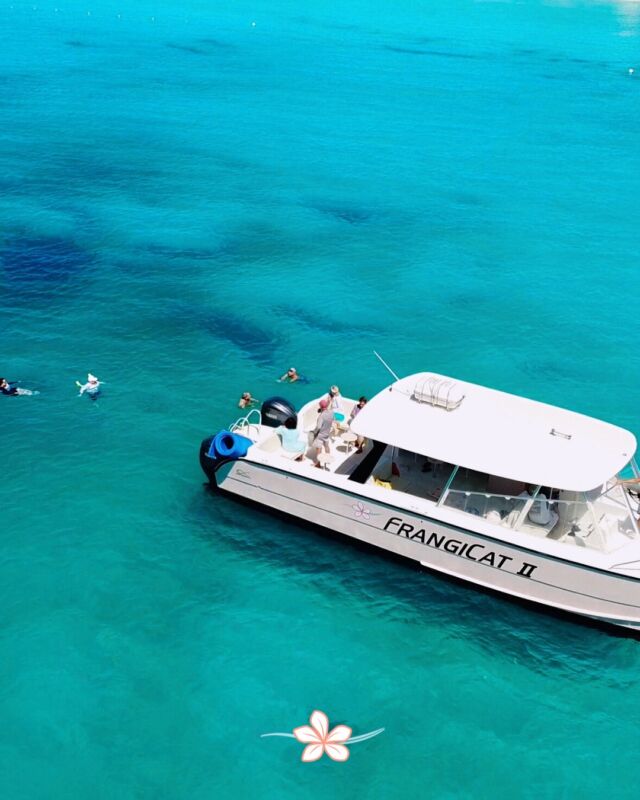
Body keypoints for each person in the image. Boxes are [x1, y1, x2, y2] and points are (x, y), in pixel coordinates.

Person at [312, 397, 334, 468]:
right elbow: (333, 419)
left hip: (320, 435)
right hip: (327, 434)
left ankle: (318, 464)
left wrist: (314, 433)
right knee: (327, 446)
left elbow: (318, 427)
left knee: (319, 448)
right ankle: (328, 459)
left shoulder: (321, 416)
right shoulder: (331, 412)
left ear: (321, 406)